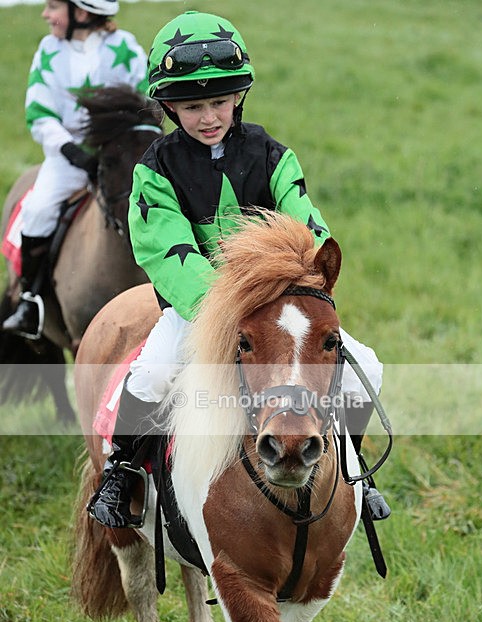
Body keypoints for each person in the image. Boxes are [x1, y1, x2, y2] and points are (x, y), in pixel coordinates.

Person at [90, 10, 391, 530]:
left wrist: (311, 278)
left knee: (369, 369)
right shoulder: (154, 171)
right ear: (168, 107)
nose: (208, 116)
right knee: (151, 374)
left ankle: (355, 470)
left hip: (279, 307)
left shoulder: (272, 155)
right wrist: (225, 311)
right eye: (191, 106)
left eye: (218, 102)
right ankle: (120, 472)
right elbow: (169, 254)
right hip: (199, 310)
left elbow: (308, 228)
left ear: (238, 98)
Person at [3, 0, 148, 339]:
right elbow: (39, 114)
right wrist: (72, 151)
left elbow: (146, 102)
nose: (45, 14)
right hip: (66, 161)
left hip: (120, 158)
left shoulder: (124, 46)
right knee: (37, 211)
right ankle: (30, 302)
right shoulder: (49, 50)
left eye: (54, 6)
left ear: (81, 12)